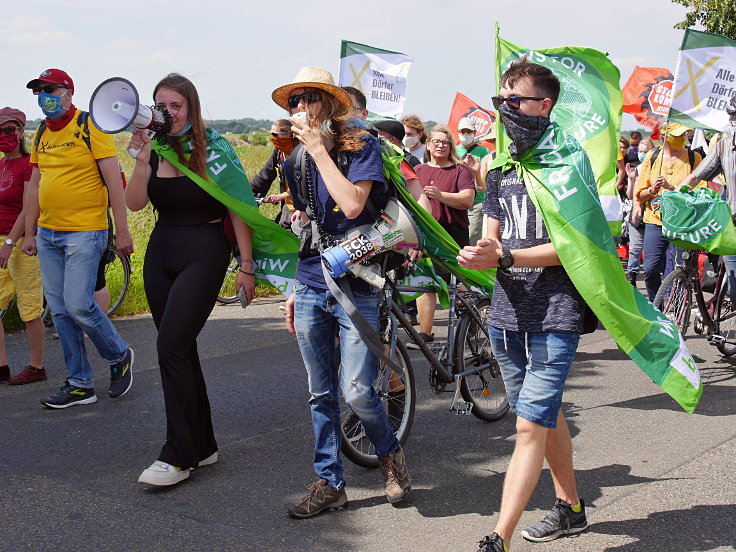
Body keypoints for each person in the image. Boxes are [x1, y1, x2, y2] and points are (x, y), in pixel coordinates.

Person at [457, 58, 588, 552]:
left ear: (544, 105)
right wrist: (482, 253)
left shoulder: (567, 162)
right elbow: (491, 238)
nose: (505, 109)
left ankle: (499, 537)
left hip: (555, 312)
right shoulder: (501, 168)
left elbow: (576, 245)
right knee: (545, 416)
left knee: (529, 424)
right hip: (506, 315)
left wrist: (507, 253)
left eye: (515, 100)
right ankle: (571, 508)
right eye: (500, 101)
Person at [275, 66, 411, 517]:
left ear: (330, 106)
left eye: (309, 98)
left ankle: (390, 456)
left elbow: (353, 204)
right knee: (320, 392)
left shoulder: (362, 145)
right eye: (295, 101)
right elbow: (307, 225)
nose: (300, 108)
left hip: (360, 282)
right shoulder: (295, 158)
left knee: (356, 390)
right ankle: (331, 482)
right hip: (314, 279)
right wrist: (296, 288)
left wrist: (318, 151)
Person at [126, 73, 256, 486]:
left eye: (175, 106)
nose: (166, 113)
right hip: (161, 250)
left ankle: (178, 455)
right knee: (179, 349)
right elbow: (134, 204)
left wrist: (247, 266)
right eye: (159, 105)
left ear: (191, 108)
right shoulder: (154, 147)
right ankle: (202, 444)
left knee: (170, 347)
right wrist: (139, 158)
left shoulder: (214, 148)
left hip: (204, 248)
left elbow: (238, 208)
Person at [22, 69, 134, 408]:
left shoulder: (90, 125)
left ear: (69, 92)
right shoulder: (41, 131)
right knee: (59, 311)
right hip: (48, 233)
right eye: (39, 91)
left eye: (50, 89)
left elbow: (114, 181)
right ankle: (79, 383)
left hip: (85, 231)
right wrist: (29, 231)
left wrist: (124, 229)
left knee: (78, 304)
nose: (45, 96)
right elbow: (35, 184)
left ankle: (118, 355)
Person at [409, 124, 475, 348]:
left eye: (445, 142)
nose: (440, 145)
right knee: (425, 284)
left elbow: (467, 199)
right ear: (428, 145)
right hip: (425, 235)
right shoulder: (418, 171)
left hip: (452, 235)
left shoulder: (460, 169)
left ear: (451, 146)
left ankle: (471, 323)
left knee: (459, 283)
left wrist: (441, 195)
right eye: (436, 141)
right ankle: (424, 335)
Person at [0, 107, 45, 385]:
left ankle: (36, 366)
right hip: (1, 241)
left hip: (20, 242)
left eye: (9, 130)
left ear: (20, 133)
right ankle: (2, 366)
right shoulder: (1, 165)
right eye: (0, 131)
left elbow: (29, 209)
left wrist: (9, 242)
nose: (4, 136)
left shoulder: (28, 165)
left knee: (29, 308)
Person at [634, 122, 704, 301]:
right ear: (664, 136)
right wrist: (652, 190)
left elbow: (700, 191)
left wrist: (672, 188)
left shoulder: (693, 157)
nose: (681, 139)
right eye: (676, 135)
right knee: (650, 269)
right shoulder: (652, 156)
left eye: (683, 135)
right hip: (656, 221)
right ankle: (655, 306)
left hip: (683, 223)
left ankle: (676, 305)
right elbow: (640, 195)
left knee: (680, 268)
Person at [681, 95, 736, 303]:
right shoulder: (723, 147)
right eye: (733, 116)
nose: (735, 120)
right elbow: (696, 176)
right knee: (734, 291)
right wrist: (676, 193)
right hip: (733, 226)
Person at [250, 119, 296, 228]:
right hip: (288, 205)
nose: (272, 138)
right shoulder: (279, 153)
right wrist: (247, 192)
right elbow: (265, 176)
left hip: (301, 206)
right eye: (271, 134)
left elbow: (305, 183)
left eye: (275, 135)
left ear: (288, 135)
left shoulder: (301, 152)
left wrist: (283, 195)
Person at [456, 117, 491, 246]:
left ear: (474, 133)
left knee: (471, 240)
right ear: (458, 132)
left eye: (468, 131)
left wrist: (474, 171)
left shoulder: (483, 151)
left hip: (476, 202)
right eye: (462, 131)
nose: (465, 134)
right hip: (457, 201)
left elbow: (482, 182)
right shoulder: (453, 150)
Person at [624, 138, 654, 285]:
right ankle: (632, 277)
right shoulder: (636, 168)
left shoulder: (655, 168)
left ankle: (652, 279)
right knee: (634, 249)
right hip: (637, 216)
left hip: (651, 215)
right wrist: (632, 179)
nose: (642, 154)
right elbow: (630, 195)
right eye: (640, 151)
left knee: (649, 251)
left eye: (645, 151)